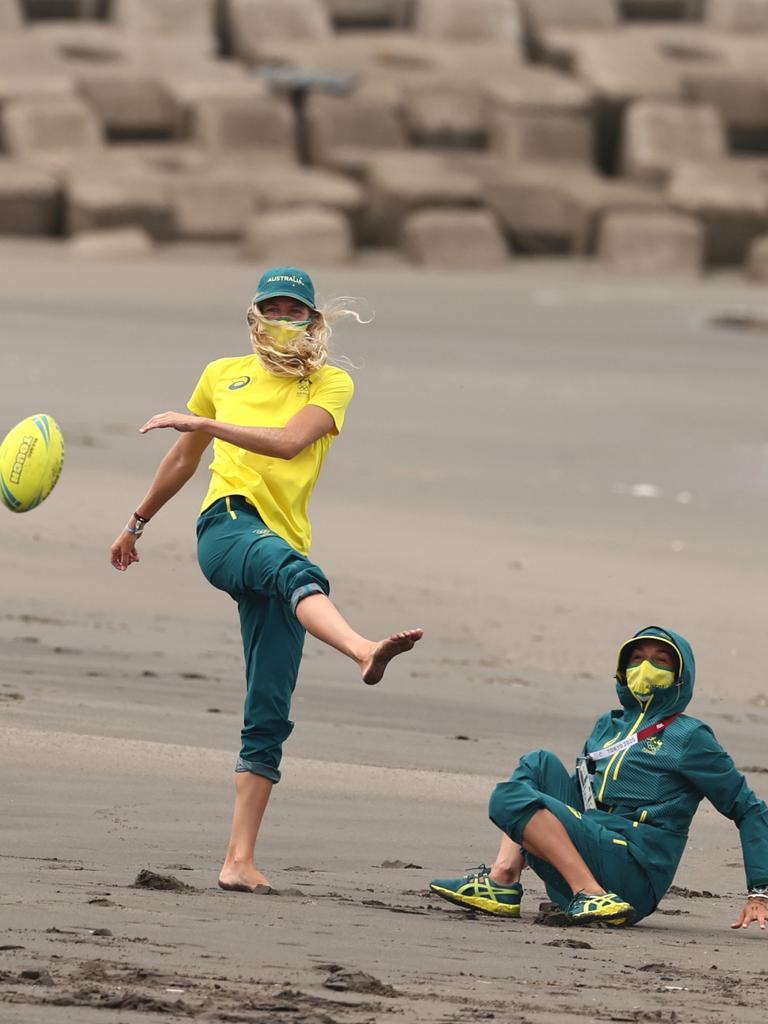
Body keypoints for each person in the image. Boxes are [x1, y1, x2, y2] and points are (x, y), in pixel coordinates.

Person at [110, 266, 423, 893]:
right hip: (226, 530)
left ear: (314, 321)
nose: (282, 322)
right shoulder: (220, 373)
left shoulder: (331, 384)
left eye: (295, 312)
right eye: (271, 310)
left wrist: (204, 424)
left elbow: (286, 444)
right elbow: (183, 458)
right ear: (254, 318)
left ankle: (238, 860)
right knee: (296, 572)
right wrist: (137, 523)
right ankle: (362, 647)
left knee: (270, 708)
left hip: (280, 545)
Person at [429, 626, 768, 929]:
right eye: (637, 658)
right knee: (538, 764)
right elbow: (581, 795)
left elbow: (749, 808)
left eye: (661, 661)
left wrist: (760, 891)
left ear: (681, 675)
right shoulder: (608, 725)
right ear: (623, 670)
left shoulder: (690, 736)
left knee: (510, 798)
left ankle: (590, 893)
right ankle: (503, 880)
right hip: (593, 845)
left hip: (633, 875)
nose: (645, 667)